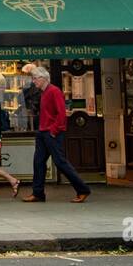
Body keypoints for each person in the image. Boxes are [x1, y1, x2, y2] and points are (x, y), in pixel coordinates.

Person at [24, 66, 91, 203]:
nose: (34, 81)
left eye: (35, 79)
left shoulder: (54, 91)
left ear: (43, 79)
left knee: (60, 162)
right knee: (38, 162)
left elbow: (61, 114)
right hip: (43, 132)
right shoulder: (43, 93)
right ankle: (38, 193)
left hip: (51, 132)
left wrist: (53, 131)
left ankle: (83, 190)